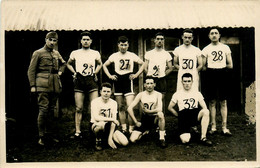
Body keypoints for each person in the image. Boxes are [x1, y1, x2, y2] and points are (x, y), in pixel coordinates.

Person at [27, 31, 66, 146]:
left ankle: (50, 135)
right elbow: (31, 70)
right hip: (42, 84)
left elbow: (63, 63)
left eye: (54, 40)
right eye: (50, 40)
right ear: (46, 40)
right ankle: (41, 136)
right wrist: (33, 85)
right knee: (43, 109)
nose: (52, 42)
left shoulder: (56, 53)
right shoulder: (38, 53)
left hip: (54, 84)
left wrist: (60, 72)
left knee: (52, 110)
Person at [103, 36, 144, 134]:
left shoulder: (132, 55)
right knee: (120, 106)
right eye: (121, 45)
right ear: (118, 45)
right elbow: (104, 65)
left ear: (128, 45)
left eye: (125, 45)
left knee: (129, 106)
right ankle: (124, 128)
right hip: (118, 80)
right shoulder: (114, 55)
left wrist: (136, 74)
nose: (123, 47)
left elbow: (143, 64)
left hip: (128, 80)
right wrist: (110, 76)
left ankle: (131, 128)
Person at [67, 31, 103, 139]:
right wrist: (74, 73)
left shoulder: (95, 53)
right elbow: (68, 64)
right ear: (81, 41)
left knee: (95, 106)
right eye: (84, 39)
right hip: (79, 80)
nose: (86, 41)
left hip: (91, 79)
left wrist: (95, 73)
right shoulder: (75, 53)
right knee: (79, 108)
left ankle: (94, 129)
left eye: (88, 39)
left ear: (91, 41)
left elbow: (100, 64)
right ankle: (78, 131)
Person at [201, 27, 233, 136]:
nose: (214, 35)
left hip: (223, 74)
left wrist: (221, 67)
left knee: (223, 101)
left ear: (219, 35)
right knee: (212, 101)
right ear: (209, 36)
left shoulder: (225, 48)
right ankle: (213, 126)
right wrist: (212, 69)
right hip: (210, 75)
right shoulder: (206, 49)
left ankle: (224, 127)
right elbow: (203, 66)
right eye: (212, 33)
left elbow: (230, 64)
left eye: (216, 33)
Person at [168, 73, 212, 146]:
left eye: (189, 81)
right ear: (182, 82)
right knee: (185, 140)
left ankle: (203, 137)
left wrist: (201, 119)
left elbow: (204, 107)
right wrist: (178, 116)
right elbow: (170, 107)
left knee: (206, 111)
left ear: (192, 82)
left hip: (194, 115)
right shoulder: (177, 94)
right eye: (185, 81)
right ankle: (189, 130)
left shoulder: (197, 93)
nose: (187, 83)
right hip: (184, 117)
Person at [127, 76, 166, 148]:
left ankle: (162, 138)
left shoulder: (158, 94)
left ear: (154, 84)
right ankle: (145, 132)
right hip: (145, 119)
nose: (149, 86)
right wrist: (136, 122)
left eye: (151, 83)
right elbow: (129, 108)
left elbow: (160, 109)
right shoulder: (141, 94)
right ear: (144, 85)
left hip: (155, 119)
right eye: (147, 83)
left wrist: (149, 111)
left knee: (161, 114)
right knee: (132, 140)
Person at [90, 82, 129, 150]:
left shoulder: (114, 103)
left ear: (111, 93)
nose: (106, 93)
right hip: (96, 125)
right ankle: (98, 140)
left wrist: (110, 138)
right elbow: (96, 118)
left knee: (125, 142)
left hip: (109, 126)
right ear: (100, 92)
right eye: (104, 91)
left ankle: (107, 139)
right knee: (101, 125)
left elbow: (113, 122)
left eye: (108, 91)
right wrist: (112, 120)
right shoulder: (95, 102)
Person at [144, 32, 173, 112]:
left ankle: (160, 118)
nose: (159, 41)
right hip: (151, 79)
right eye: (158, 39)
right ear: (154, 40)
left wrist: (162, 74)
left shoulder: (166, 54)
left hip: (161, 79)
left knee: (160, 99)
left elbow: (170, 68)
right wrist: (149, 76)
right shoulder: (149, 53)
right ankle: (150, 117)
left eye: (161, 39)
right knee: (150, 98)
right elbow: (145, 67)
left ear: (163, 41)